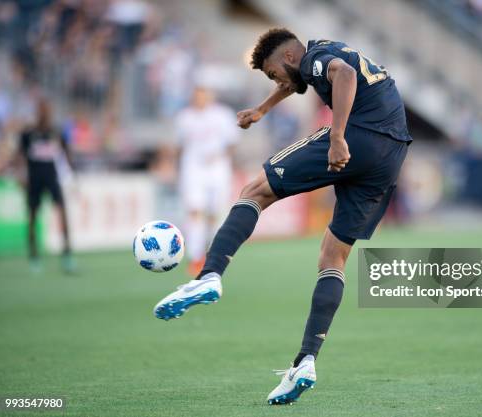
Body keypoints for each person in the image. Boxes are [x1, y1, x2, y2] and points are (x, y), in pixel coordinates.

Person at [153, 28, 411, 405]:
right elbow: (299, 81)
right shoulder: (313, 60)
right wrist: (262, 109)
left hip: (359, 134)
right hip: (391, 153)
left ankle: (208, 276)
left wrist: (337, 136)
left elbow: (344, 75)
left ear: (289, 57)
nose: (277, 82)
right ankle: (305, 362)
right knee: (332, 257)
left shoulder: (317, 57)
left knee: (254, 192)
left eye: (273, 74)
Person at [174, 84, 239, 276]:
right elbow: (180, 145)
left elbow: (232, 142)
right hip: (193, 169)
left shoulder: (222, 115)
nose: (200, 99)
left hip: (218, 169)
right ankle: (195, 257)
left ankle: (212, 253)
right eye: (197, 96)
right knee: (194, 211)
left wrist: (219, 156)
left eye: (203, 95)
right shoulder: (184, 118)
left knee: (215, 213)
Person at [15, 97, 75, 273]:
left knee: (62, 213)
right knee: (32, 217)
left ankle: (67, 254)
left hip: (52, 178)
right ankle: (34, 257)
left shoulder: (55, 132)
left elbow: (67, 152)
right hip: (34, 180)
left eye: (47, 111)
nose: (45, 114)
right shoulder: (28, 134)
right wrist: (20, 175)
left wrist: (71, 175)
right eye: (42, 110)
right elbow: (19, 156)